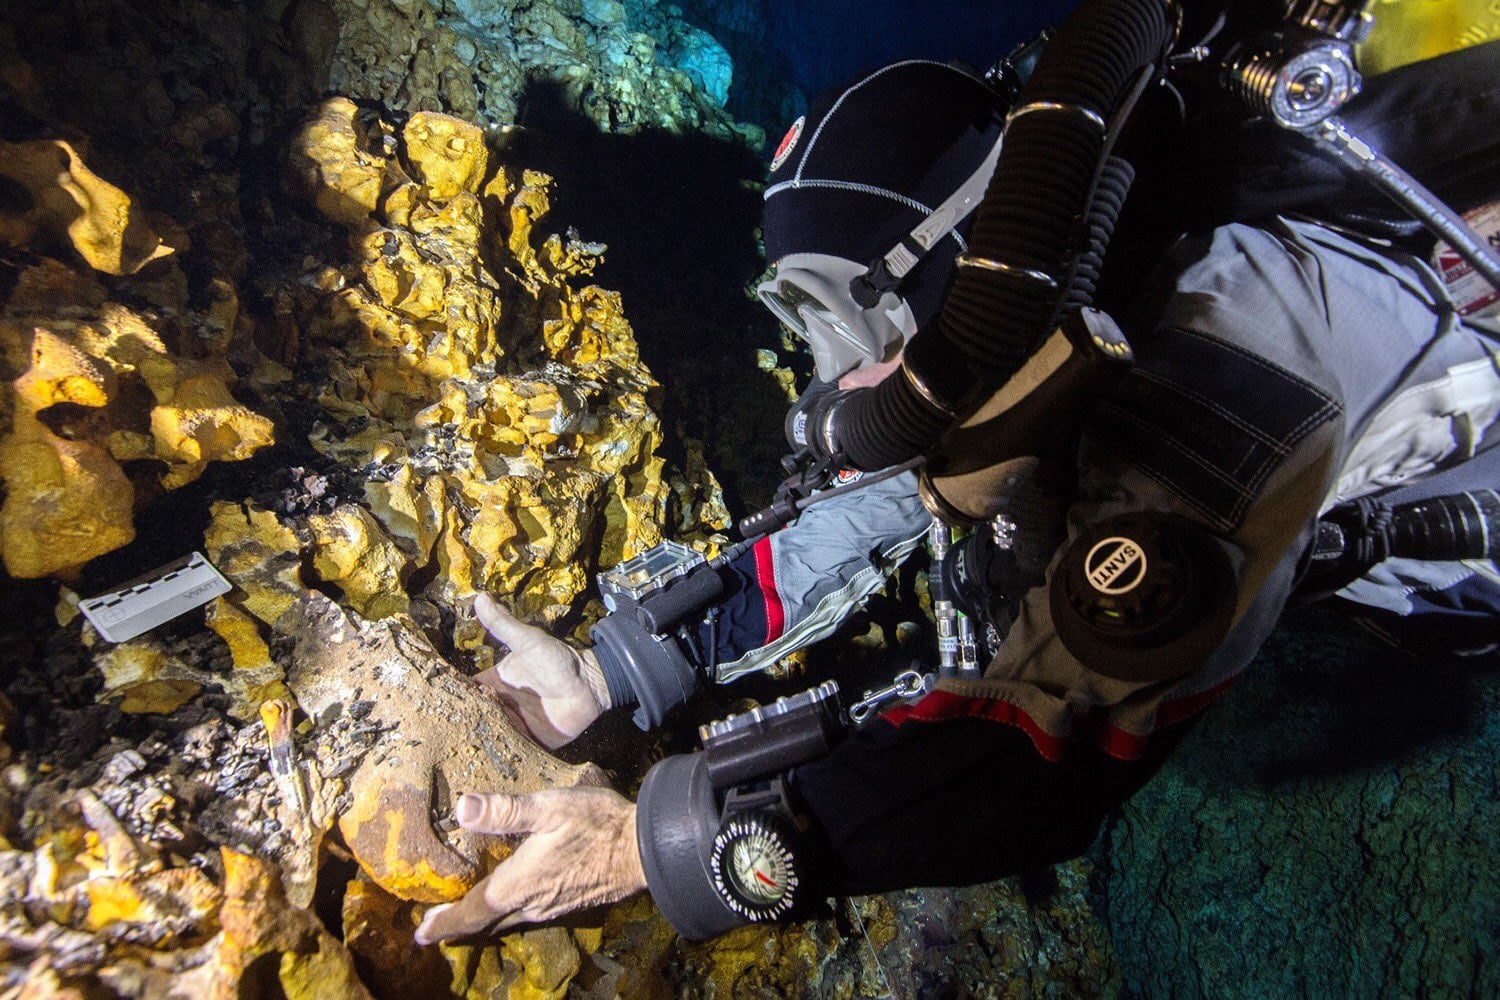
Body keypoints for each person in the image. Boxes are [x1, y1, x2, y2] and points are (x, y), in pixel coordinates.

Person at [412, 4, 1500, 946]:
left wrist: (651, 849)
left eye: (847, 322)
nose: (833, 381)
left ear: (967, 271)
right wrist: (616, 668)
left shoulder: (1247, 343)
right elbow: (869, 512)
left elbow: (1053, 743)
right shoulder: (1053, 310)